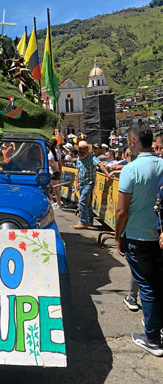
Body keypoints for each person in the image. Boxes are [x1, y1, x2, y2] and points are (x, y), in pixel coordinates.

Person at [115, 123, 163, 356]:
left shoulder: (130, 170)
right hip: (159, 235)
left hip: (137, 237)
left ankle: (153, 338)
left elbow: (121, 211)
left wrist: (117, 236)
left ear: (133, 142)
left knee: (148, 286)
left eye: (127, 140)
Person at [74, 141, 110, 229]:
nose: (82, 150)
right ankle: (90, 220)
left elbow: (100, 165)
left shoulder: (91, 157)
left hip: (89, 183)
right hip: (82, 183)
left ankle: (83, 222)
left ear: (87, 149)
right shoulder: (78, 159)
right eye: (81, 149)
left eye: (84, 148)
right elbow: (79, 171)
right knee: (88, 202)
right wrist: (77, 182)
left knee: (82, 201)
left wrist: (107, 173)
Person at [48, 142, 62, 209]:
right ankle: (57, 203)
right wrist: (59, 170)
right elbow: (60, 162)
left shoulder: (49, 155)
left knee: (55, 189)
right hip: (56, 172)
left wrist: (57, 170)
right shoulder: (57, 153)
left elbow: (52, 165)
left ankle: (58, 204)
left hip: (53, 173)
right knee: (56, 189)